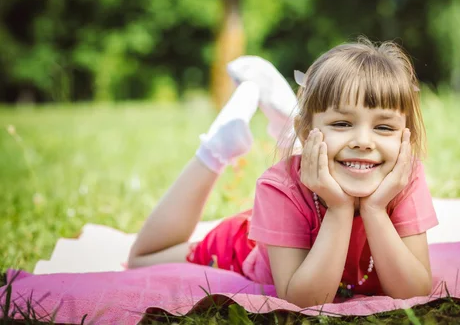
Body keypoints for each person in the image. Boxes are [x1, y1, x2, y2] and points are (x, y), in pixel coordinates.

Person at [128, 38, 438, 308]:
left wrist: (374, 208)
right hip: (245, 244)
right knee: (141, 259)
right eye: (342, 124)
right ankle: (217, 147)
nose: (362, 141)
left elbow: (413, 291)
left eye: (384, 127)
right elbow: (305, 301)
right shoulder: (279, 187)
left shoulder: (405, 178)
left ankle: (290, 124)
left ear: (404, 137)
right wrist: (340, 207)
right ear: (307, 134)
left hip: (292, 214)